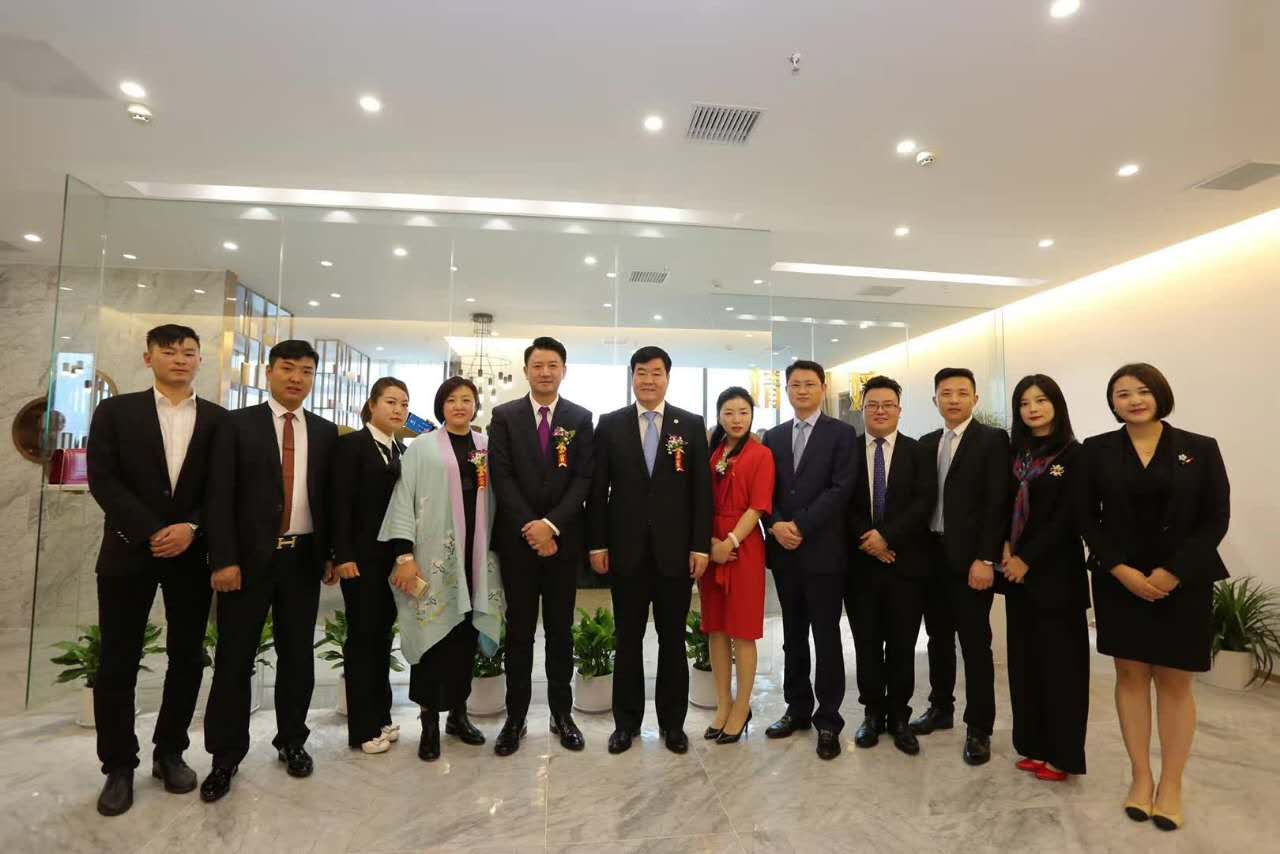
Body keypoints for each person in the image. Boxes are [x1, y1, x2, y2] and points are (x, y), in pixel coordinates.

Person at [1079, 363, 1229, 831]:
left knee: (1175, 682)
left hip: (1183, 582)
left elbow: (1216, 518)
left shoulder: (1200, 448)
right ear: (1113, 403)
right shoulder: (1096, 450)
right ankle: (1141, 777)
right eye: (1122, 394)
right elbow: (1085, 518)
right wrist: (1119, 569)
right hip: (1119, 581)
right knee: (1129, 676)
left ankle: (1172, 784)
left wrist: (1174, 572)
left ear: (1160, 394)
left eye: (1142, 391)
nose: (1134, 400)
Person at [85, 324, 225, 816]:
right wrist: (151, 530)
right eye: (169, 352)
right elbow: (103, 479)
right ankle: (118, 765)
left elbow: (222, 487)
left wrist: (191, 526)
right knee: (118, 660)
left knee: (187, 657)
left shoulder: (218, 420)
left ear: (200, 359)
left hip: (192, 554)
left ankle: (170, 752)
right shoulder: (115, 412)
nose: (180, 359)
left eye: (189, 352)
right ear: (149, 359)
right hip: (128, 552)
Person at [200, 339, 339, 802]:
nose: (297, 378)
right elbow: (218, 496)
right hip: (246, 563)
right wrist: (223, 559)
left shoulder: (324, 431)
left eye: (306, 371)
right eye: (287, 368)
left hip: (301, 559)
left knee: (298, 656)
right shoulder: (236, 424)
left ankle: (292, 740)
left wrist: (330, 552)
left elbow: (327, 499)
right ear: (269, 372)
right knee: (234, 659)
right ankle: (225, 756)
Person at [588, 346, 712, 755]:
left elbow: (701, 492)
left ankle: (673, 726)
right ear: (632, 377)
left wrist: (699, 546)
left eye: (656, 373)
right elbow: (598, 489)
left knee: (672, 641)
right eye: (641, 372)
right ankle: (625, 725)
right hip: (625, 552)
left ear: (667, 378)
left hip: (675, 554)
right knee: (628, 640)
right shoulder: (610, 424)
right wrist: (598, 542)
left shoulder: (690, 424)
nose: (648, 380)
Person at [380, 376, 505, 762]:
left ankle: (458, 717)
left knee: (464, 641)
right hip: (433, 562)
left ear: (475, 406)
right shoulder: (423, 447)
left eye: (467, 399)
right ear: (441, 406)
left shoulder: (486, 446)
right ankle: (429, 723)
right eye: (452, 400)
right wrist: (404, 556)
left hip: (474, 561)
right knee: (433, 643)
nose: (460, 406)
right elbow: (404, 499)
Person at [488, 337, 594, 756]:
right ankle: (515, 718)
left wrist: (551, 526)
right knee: (518, 631)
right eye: (538, 365)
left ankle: (561, 714)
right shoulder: (505, 416)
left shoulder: (580, 418)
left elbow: (584, 479)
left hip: (562, 543)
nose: (545, 372)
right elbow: (501, 476)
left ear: (564, 371)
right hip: (517, 544)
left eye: (553, 365)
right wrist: (533, 529)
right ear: (526, 371)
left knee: (559, 631)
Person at [913, 367, 1010, 766]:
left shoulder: (992, 440)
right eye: (946, 393)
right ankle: (941, 708)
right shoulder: (926, 443)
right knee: (937, 639)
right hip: (931, 557)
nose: (953, 399)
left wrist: (986, 558)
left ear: (974, 399)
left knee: (974, 644)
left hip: (972, 561)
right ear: (935, 399)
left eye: (961, 393)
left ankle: (979, 727)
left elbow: (998, 502)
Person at [762, 360, 857, 761]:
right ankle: (797, 708)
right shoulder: (773, 436)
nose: (802, 390)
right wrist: (775, 524)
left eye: (809, 384)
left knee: (827, 637)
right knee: (793, 635)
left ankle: (829, 720)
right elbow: (764, 490)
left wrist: (799, 525)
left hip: (823, 552)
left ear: (822, 388)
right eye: (795, 384)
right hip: (785, 553)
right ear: (786, 390)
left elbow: (841, 489)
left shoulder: (842, 434)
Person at [998, 374, 1090, 782]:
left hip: (1057, 578)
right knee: (1025, 666)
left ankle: (1062, 755)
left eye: (1041, 400)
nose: (1032, 409)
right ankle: (1033, 746)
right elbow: (1002, 507)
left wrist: (1027, 559)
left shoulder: (1075, 454)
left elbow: (1070, 518)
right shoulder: (1016, 455)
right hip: (1016, 576)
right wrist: (1005, 548)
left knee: (1061, 670)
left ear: (1057, 404)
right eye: (1024, 403)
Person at [845, 376, 934, 757]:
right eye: (873, 405)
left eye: (888, 405)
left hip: (905, 566)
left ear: (899, 410)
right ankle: (871, 714)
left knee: (901, 646)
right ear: (863, 410)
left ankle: (899, 717)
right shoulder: (847, 450)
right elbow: (842, 501)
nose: (880, 411)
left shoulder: (918, 452)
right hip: (859, 567)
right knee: (866, 645)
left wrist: (887, 538)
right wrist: (869, 539)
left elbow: (924, 502)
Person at [330, 377, 410, 755]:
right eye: (391, 402)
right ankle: (362, 728)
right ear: (372, 404)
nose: (398, 410)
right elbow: (339, 503)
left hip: (391, 564)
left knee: (381, 639)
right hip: (359, 562)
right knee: (362, 641)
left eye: (404, 404)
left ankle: (381, 715)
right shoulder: (351, 446)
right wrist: (342, 555)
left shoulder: (401, 450)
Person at [702, 387, 775, 745]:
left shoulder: (761, 454)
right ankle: (723, 704)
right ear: (719, 416)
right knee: (715, 629)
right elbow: (699, 501)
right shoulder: (713, 452)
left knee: (742, 630)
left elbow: (758, 507)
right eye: (729, 412)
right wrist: (710, 545)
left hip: (743, 547)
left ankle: (742, 706)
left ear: (751, 415)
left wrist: (728, 543)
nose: (736, 419)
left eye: (743, 412)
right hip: (711, 545)